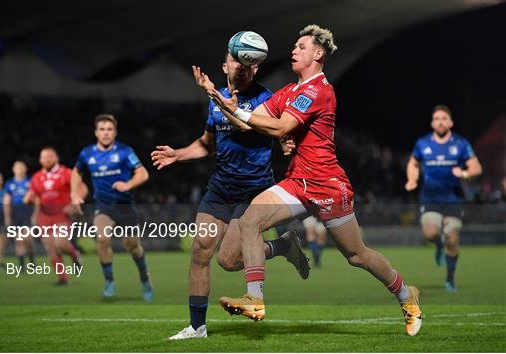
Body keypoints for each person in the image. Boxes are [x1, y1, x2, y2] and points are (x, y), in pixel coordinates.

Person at [201, 24, 423, 336]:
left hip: (327, 184)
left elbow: (279, 127)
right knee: (250, 220)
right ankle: (255, 298)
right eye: (295, 46)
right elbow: (250, 125)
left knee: (357, 255)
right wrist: (218, 98)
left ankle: (405, 295)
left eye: (301, 47)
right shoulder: (290, 91)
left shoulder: (319, 90)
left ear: (317, 54)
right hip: (297, 182)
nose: (294, 50)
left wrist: (248, 117)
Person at [153, 51, 309, 340]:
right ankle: (197, 327)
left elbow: (245, 124)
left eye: (249, 64)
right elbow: (206, 143)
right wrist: (178, 154)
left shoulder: (266, 98)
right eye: (237, 61)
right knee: (200, 248)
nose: (243, 67)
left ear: (256, 69)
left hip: (254, 191)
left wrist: (212, 92)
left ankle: (283, 248)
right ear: (225, 65)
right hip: (221, 188)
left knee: (229, 260)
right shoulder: (217, 99)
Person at [71, 114, 153, 300]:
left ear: (114, 132)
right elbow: (76, 172)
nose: (106, 133)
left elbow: (143, 173)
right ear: (96, 132)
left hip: (125, 206)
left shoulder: (125, 151)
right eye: (102, 129)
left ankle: (145, 278)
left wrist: (128, 185)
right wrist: (74, 194)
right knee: (102, 239)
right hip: (103, 206)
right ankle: (109, 281)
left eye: (109, 129)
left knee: (133, 246)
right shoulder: (87, 153)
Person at [405, 104, 482, 291]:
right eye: (437, 118)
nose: (440, 121)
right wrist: (412, 179)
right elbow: (413, 163)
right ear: (432, 123)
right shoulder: (423, 143)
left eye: (444, 118)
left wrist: (463, 174)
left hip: (453, 199)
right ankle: (439, 245)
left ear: (451, 122)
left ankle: (450, 279)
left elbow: (476, 167)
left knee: (453, 239)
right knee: (430, 234)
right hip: (430, 199)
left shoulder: (461, 143)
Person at [28, 147, 85, 285]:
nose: (47, 159)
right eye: (44, 157)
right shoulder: (36, 177)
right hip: (44, 217)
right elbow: (35, 198)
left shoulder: (67, 173)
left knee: (60, 243)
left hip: (62, 216)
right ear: (40, 160)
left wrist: (73, 204)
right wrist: (34, 215)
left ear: (56, 158)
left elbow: (82, 189)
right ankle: (63, 279)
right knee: (51, 249)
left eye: (50, 156)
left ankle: (74, 254)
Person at [3, 161, 36, 271]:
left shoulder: (30, 181)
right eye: (17, 167)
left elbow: (36, 199)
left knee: (28, 238)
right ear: (13, 169)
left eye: (21, 166)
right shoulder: (9, 183)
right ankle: (22, 265)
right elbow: (6, 200)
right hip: (15, 214)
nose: (19, 169)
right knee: (18, 239)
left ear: (25, 169)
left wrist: (36, 214)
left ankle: (31, 260)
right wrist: (7, 216)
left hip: (28, 212)